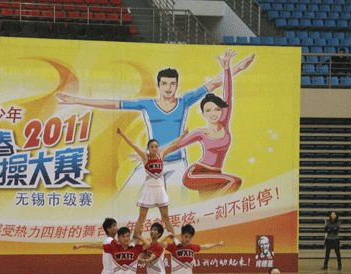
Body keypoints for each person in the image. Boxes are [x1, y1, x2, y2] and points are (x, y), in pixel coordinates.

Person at [56, 53, 255, 205]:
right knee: (123, 202)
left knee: (177, 208)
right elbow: (114, 104)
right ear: (159, 85)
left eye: (172, 84)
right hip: (152, 162)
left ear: (177, 85)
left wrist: (237, 67)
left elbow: (214, 84)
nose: (168, 87)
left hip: (177, 164)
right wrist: (78, 100)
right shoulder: (147, 104)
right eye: (164, 83)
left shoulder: (184, 101)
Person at [168, 49, 246, 200]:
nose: (213, 113)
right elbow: (176, 145)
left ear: (222, 110)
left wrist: (226, 69)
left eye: (217, 109)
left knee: (205, 208)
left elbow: (228, 95)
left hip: (215, 175)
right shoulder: (201, 133)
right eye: (208, 110)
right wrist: (150, 155)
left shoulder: (224, 124)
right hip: (196, 174)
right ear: (203, 114)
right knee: (234, 181)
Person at [116, 127, 189, 243]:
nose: (154, 148)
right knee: (141, 217)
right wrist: (122, 134)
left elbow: (174, 144)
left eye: (156, 147)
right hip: (148, 190)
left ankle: (175, 239)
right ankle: (134, 240)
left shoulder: (162, 155)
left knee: (166, 217)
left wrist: (184, 134)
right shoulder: (145, 157)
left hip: (160, 190)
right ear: (148, 149)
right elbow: (133, 144)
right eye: (152, 147)